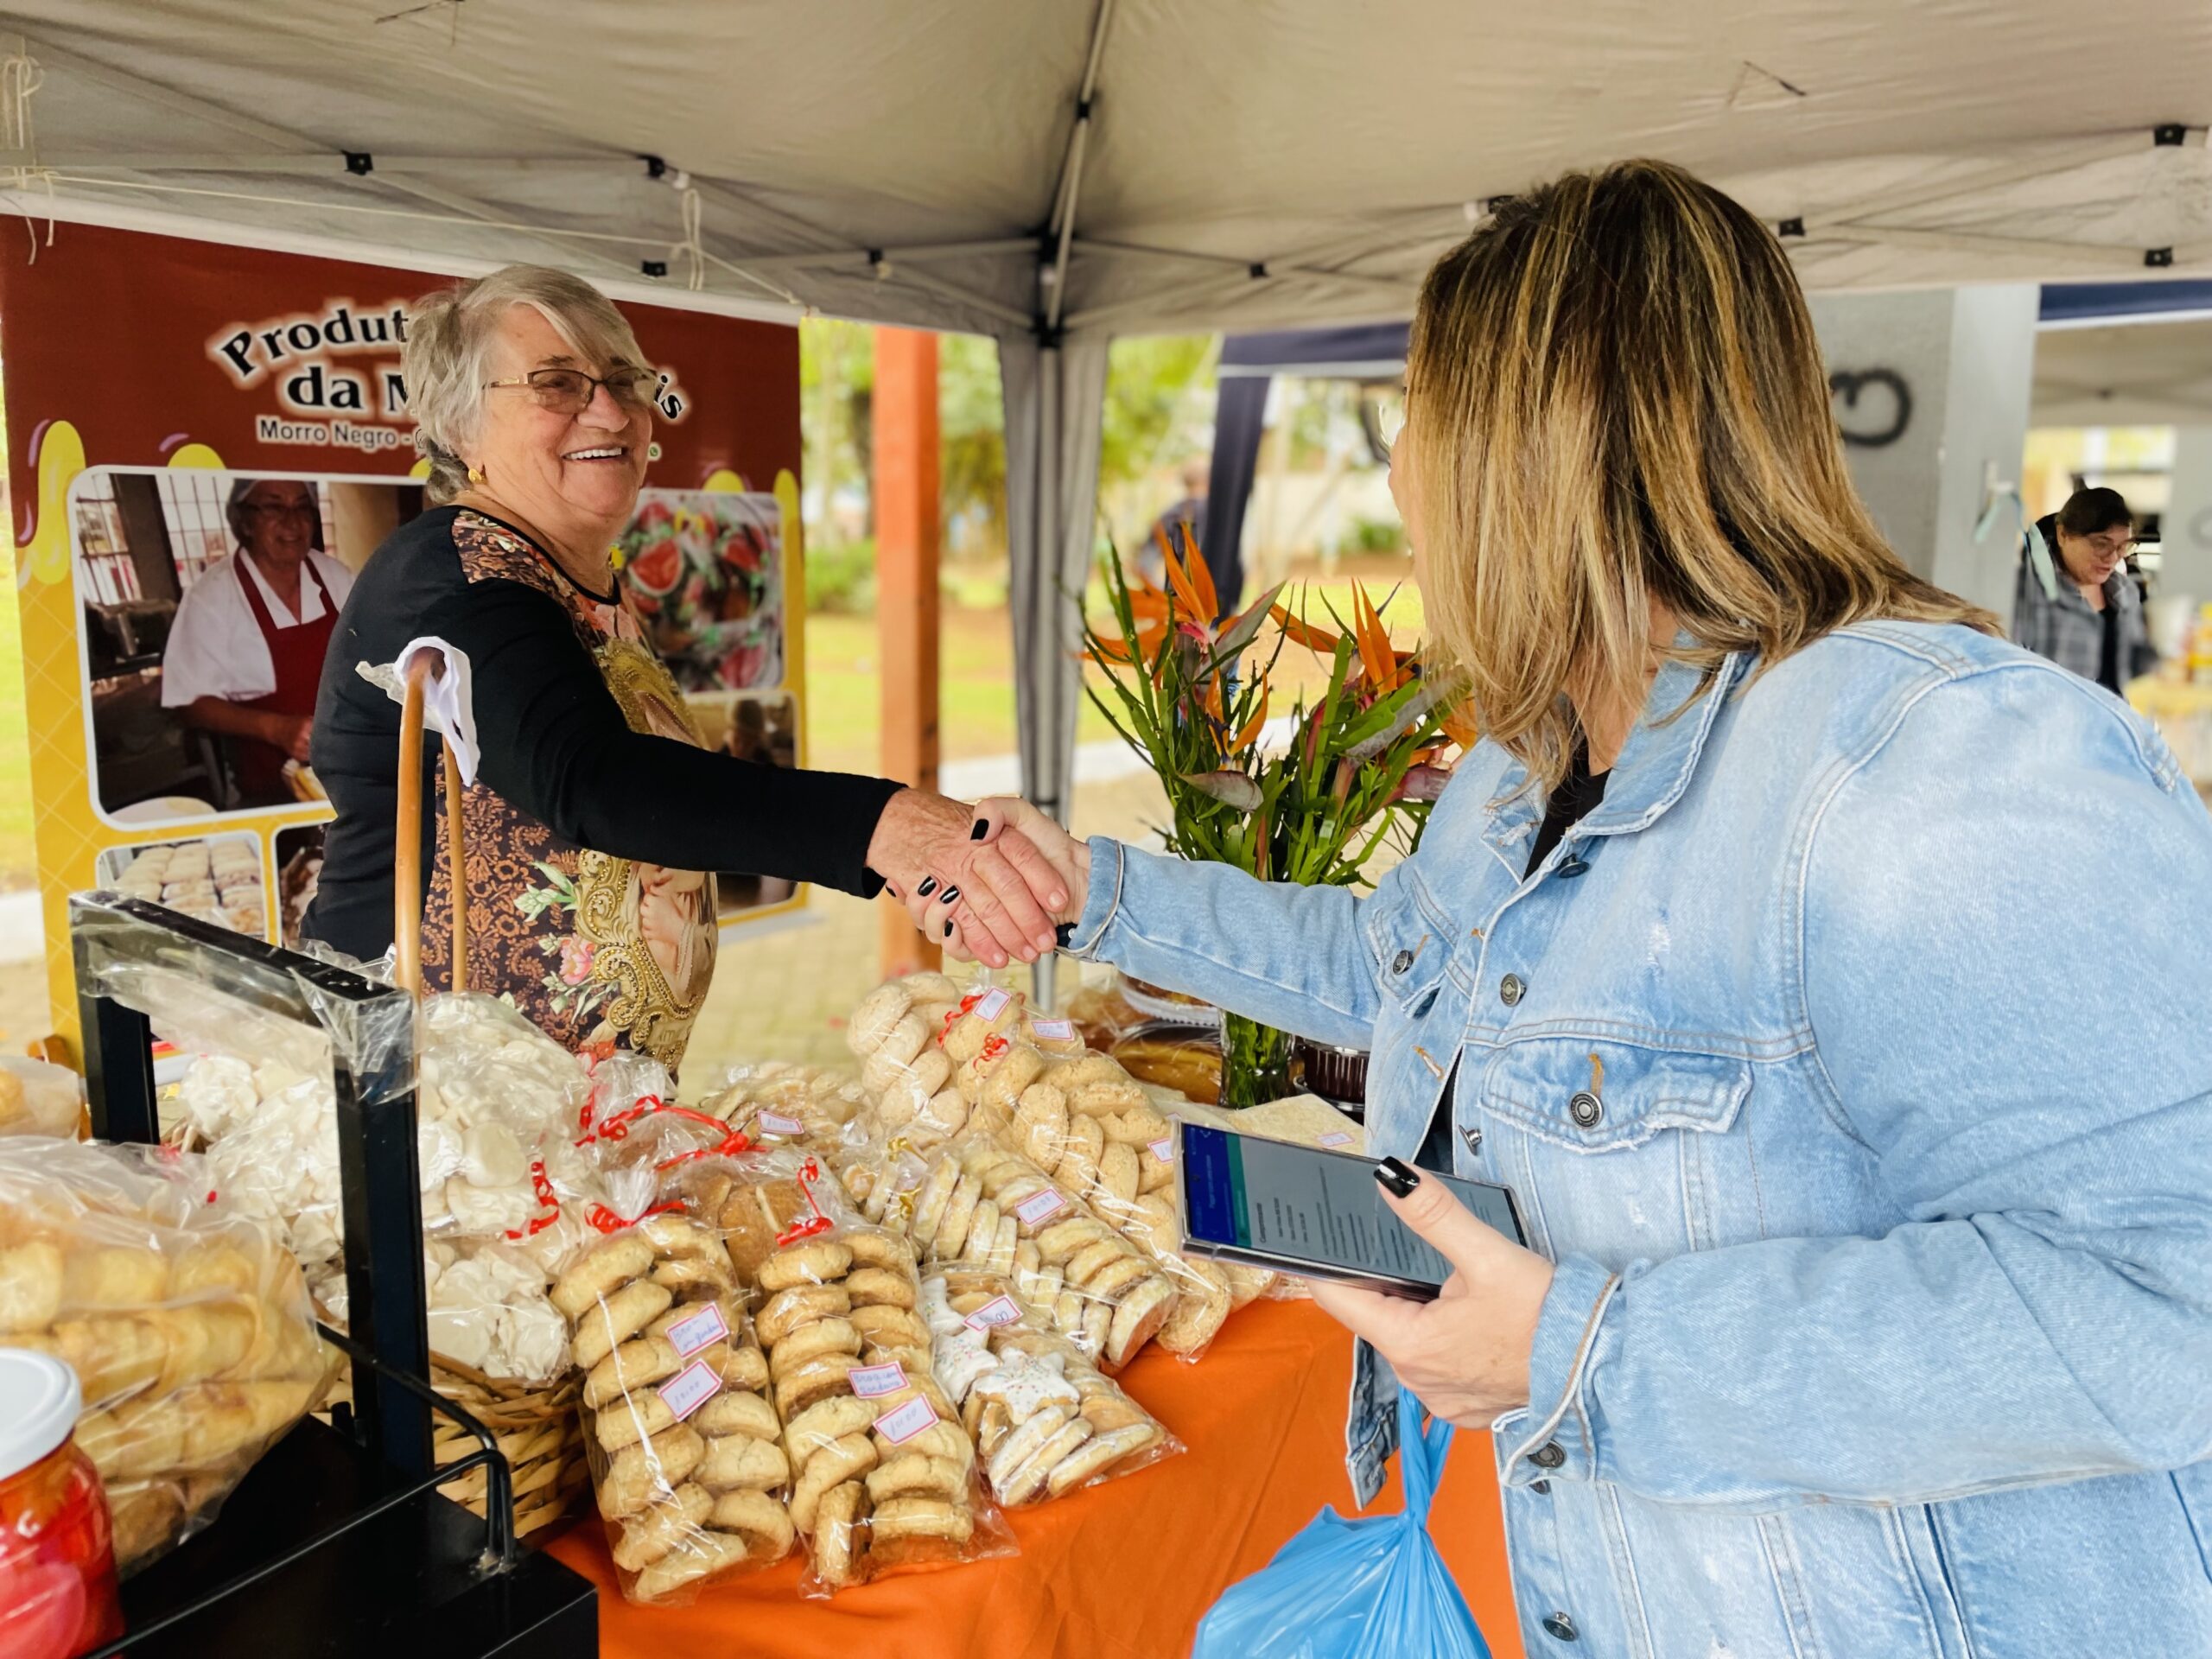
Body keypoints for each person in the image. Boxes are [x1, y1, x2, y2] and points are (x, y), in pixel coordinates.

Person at [976, 162, 2212, 1654]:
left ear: (1525, 454)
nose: (1395, 476)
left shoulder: (1927, 766)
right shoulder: (1529, 762)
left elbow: (2164, 1301)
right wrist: (1087, 896)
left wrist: (1585, 1354)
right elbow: (1396, 967)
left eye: (1408, 423)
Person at [304, 265, 1065, 1070]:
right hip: (416, 1092)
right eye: (557, 384)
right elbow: (592, 782)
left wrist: (922, 865)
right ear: (460, 427)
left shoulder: (576, 578)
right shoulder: (453, 572)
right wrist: (884, 828)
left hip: (574, 1113)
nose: (609, 410)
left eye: (624, 380)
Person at [162, 477, 354, 806]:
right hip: (266, 788)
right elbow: (190, 703)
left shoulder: (336, 577)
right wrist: (277, 728)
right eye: (273, 507)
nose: (291, 522)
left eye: (301, 507)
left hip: (350, 768)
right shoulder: (212, 596)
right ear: (245, 522)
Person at [2013, 484, 2150, 694]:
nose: (2113, 557)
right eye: (2102, 544)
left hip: (2113, 721)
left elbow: (2135, 671)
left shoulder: (2125, 593)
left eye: (2124, 546)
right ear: (2063, 535)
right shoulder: (2029, 588)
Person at [1136, 457, 1210, 587]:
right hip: (1216, 598)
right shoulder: (1219, 515)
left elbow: (1145, 565)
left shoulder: (1169, 515)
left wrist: (1164, 594)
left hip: (1178, 598)